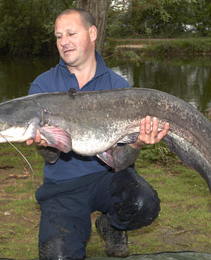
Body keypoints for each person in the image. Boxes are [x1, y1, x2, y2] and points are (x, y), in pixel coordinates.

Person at [26, 8, 169, 260]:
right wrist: (45, 145)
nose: (64, 42)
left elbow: (119, 162)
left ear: (92, 33)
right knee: (56, 256)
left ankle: (112, 225)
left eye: (71, 33)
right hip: (63, 187)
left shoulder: (118, 86)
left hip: (107, 180)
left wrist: (136, 145)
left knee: (143, 203)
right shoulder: (43, 87)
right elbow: (50, 159)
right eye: (58, 36)